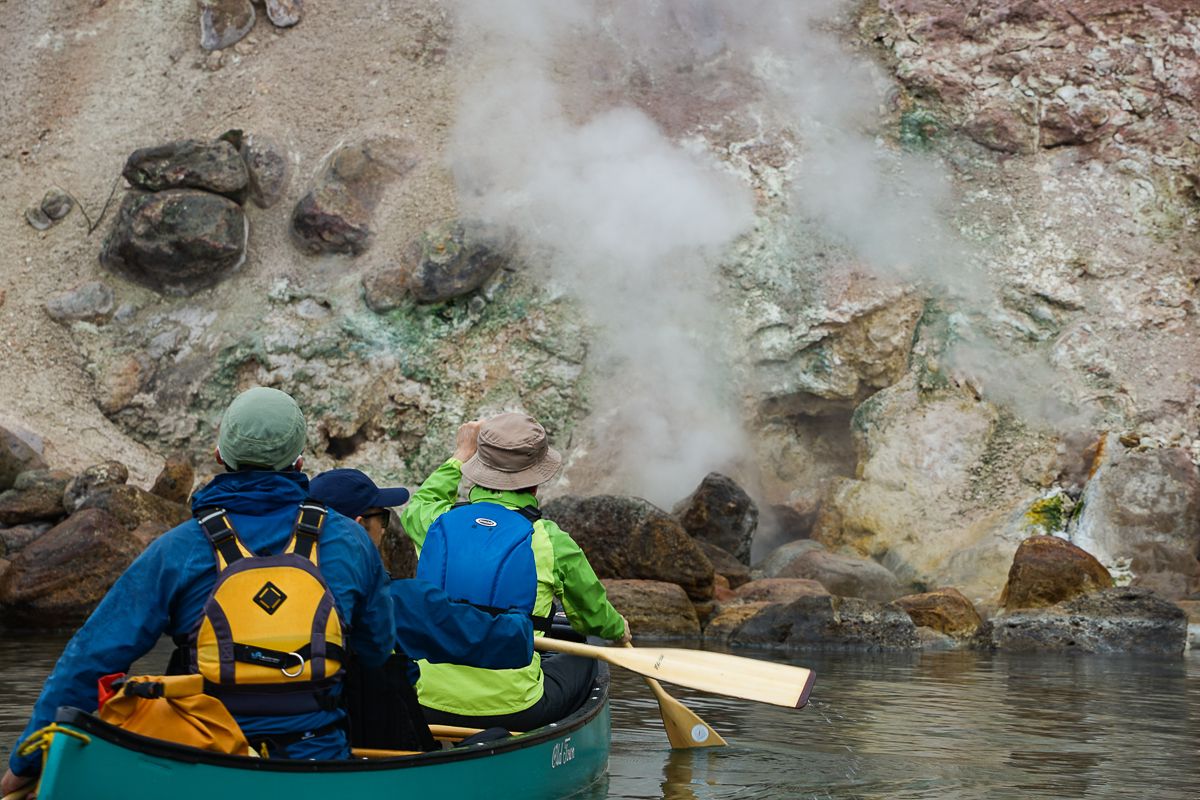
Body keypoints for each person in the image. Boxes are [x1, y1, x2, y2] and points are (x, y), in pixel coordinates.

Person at [2, 387, 395, 797]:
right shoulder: (351, 541)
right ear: (299, 462)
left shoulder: (180, 548)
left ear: (219, 455)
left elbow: (89, 660)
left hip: (204, 767)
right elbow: (376, 649)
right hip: (320, 763)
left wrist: (24, 764)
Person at [399, 413, 630, 732]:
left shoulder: (434, 523)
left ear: (478, 470)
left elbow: (420, 503)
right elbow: (593, 618)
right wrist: (619, 630)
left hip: (425, 702)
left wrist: (459, 455)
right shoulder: (550, 540)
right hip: (514, 710)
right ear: (536, 480)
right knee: (589, 651)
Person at [307, 468, 536, 750]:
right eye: (384, 517)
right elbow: (511, 643)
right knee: (497, 736)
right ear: (359, 525)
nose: (384, 527)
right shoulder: (397, 601)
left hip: (306, 743)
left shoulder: (281, 594)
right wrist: (519, 619)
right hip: (386, 756)